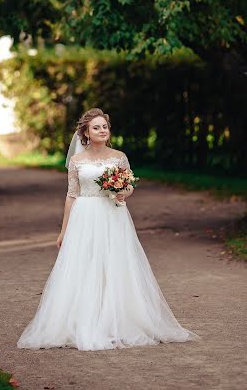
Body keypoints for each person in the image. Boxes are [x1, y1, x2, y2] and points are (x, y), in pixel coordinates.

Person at [17, 107, 200, 351]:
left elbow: (129, 185)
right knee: (85, 266)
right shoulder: (77, 161)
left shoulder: (119, 156)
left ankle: (118, 320)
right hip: (85, 216)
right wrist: (64, 231)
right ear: (86, 133)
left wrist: (124, 192)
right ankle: (84, 320)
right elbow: (71, 196)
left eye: (105, 127)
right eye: (96, 127)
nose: (102, 130)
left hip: (113, 215)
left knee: (116, 265)